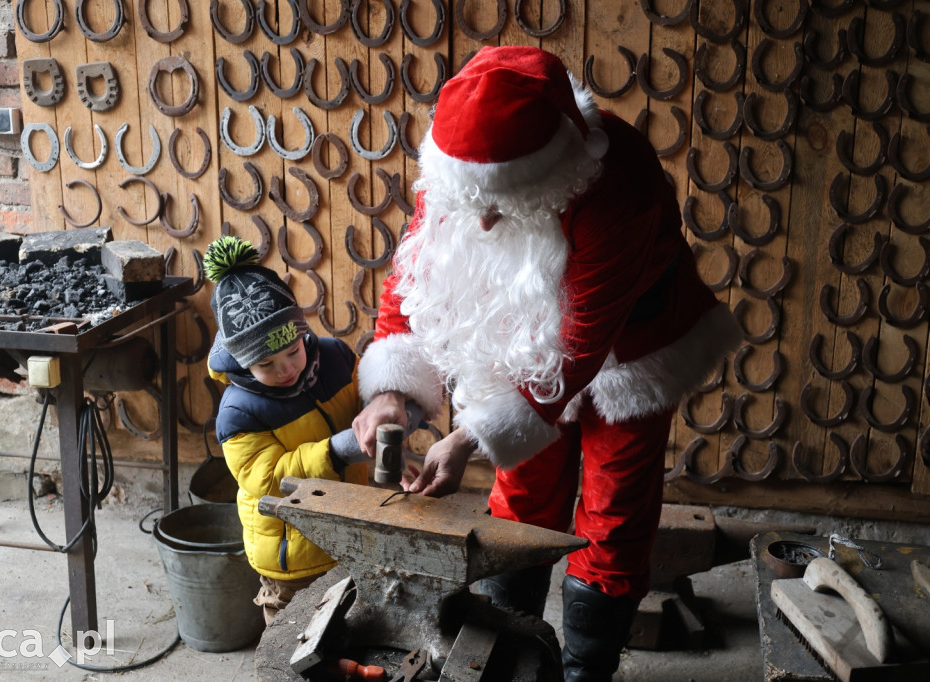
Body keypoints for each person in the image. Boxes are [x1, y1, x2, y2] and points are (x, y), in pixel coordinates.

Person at [353, 46, 743, 681]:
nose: (479, 218)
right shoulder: (464, 174)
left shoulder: (620, 185)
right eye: (469, 199)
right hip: (526, 336)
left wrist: (469, 435)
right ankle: (518, 649)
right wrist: (391, 391)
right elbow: (417, 279)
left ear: (545, 173)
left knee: (614, 509)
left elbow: (578, 351)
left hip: (634, 348)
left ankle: (588, 668)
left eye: (499, 202)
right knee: (525, 493)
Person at [204, 235, 370, 625]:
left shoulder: (337, 358)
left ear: (302, 332)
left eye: (293, 352)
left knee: (346, 627)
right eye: (266, 364)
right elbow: (271, 478)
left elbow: (367, 402)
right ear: (243, 363)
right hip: (293, 551)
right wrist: (338, 450)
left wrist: (390, 407)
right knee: (292, 634)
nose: (287, 370)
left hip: (350, 529)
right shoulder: (237, 412)